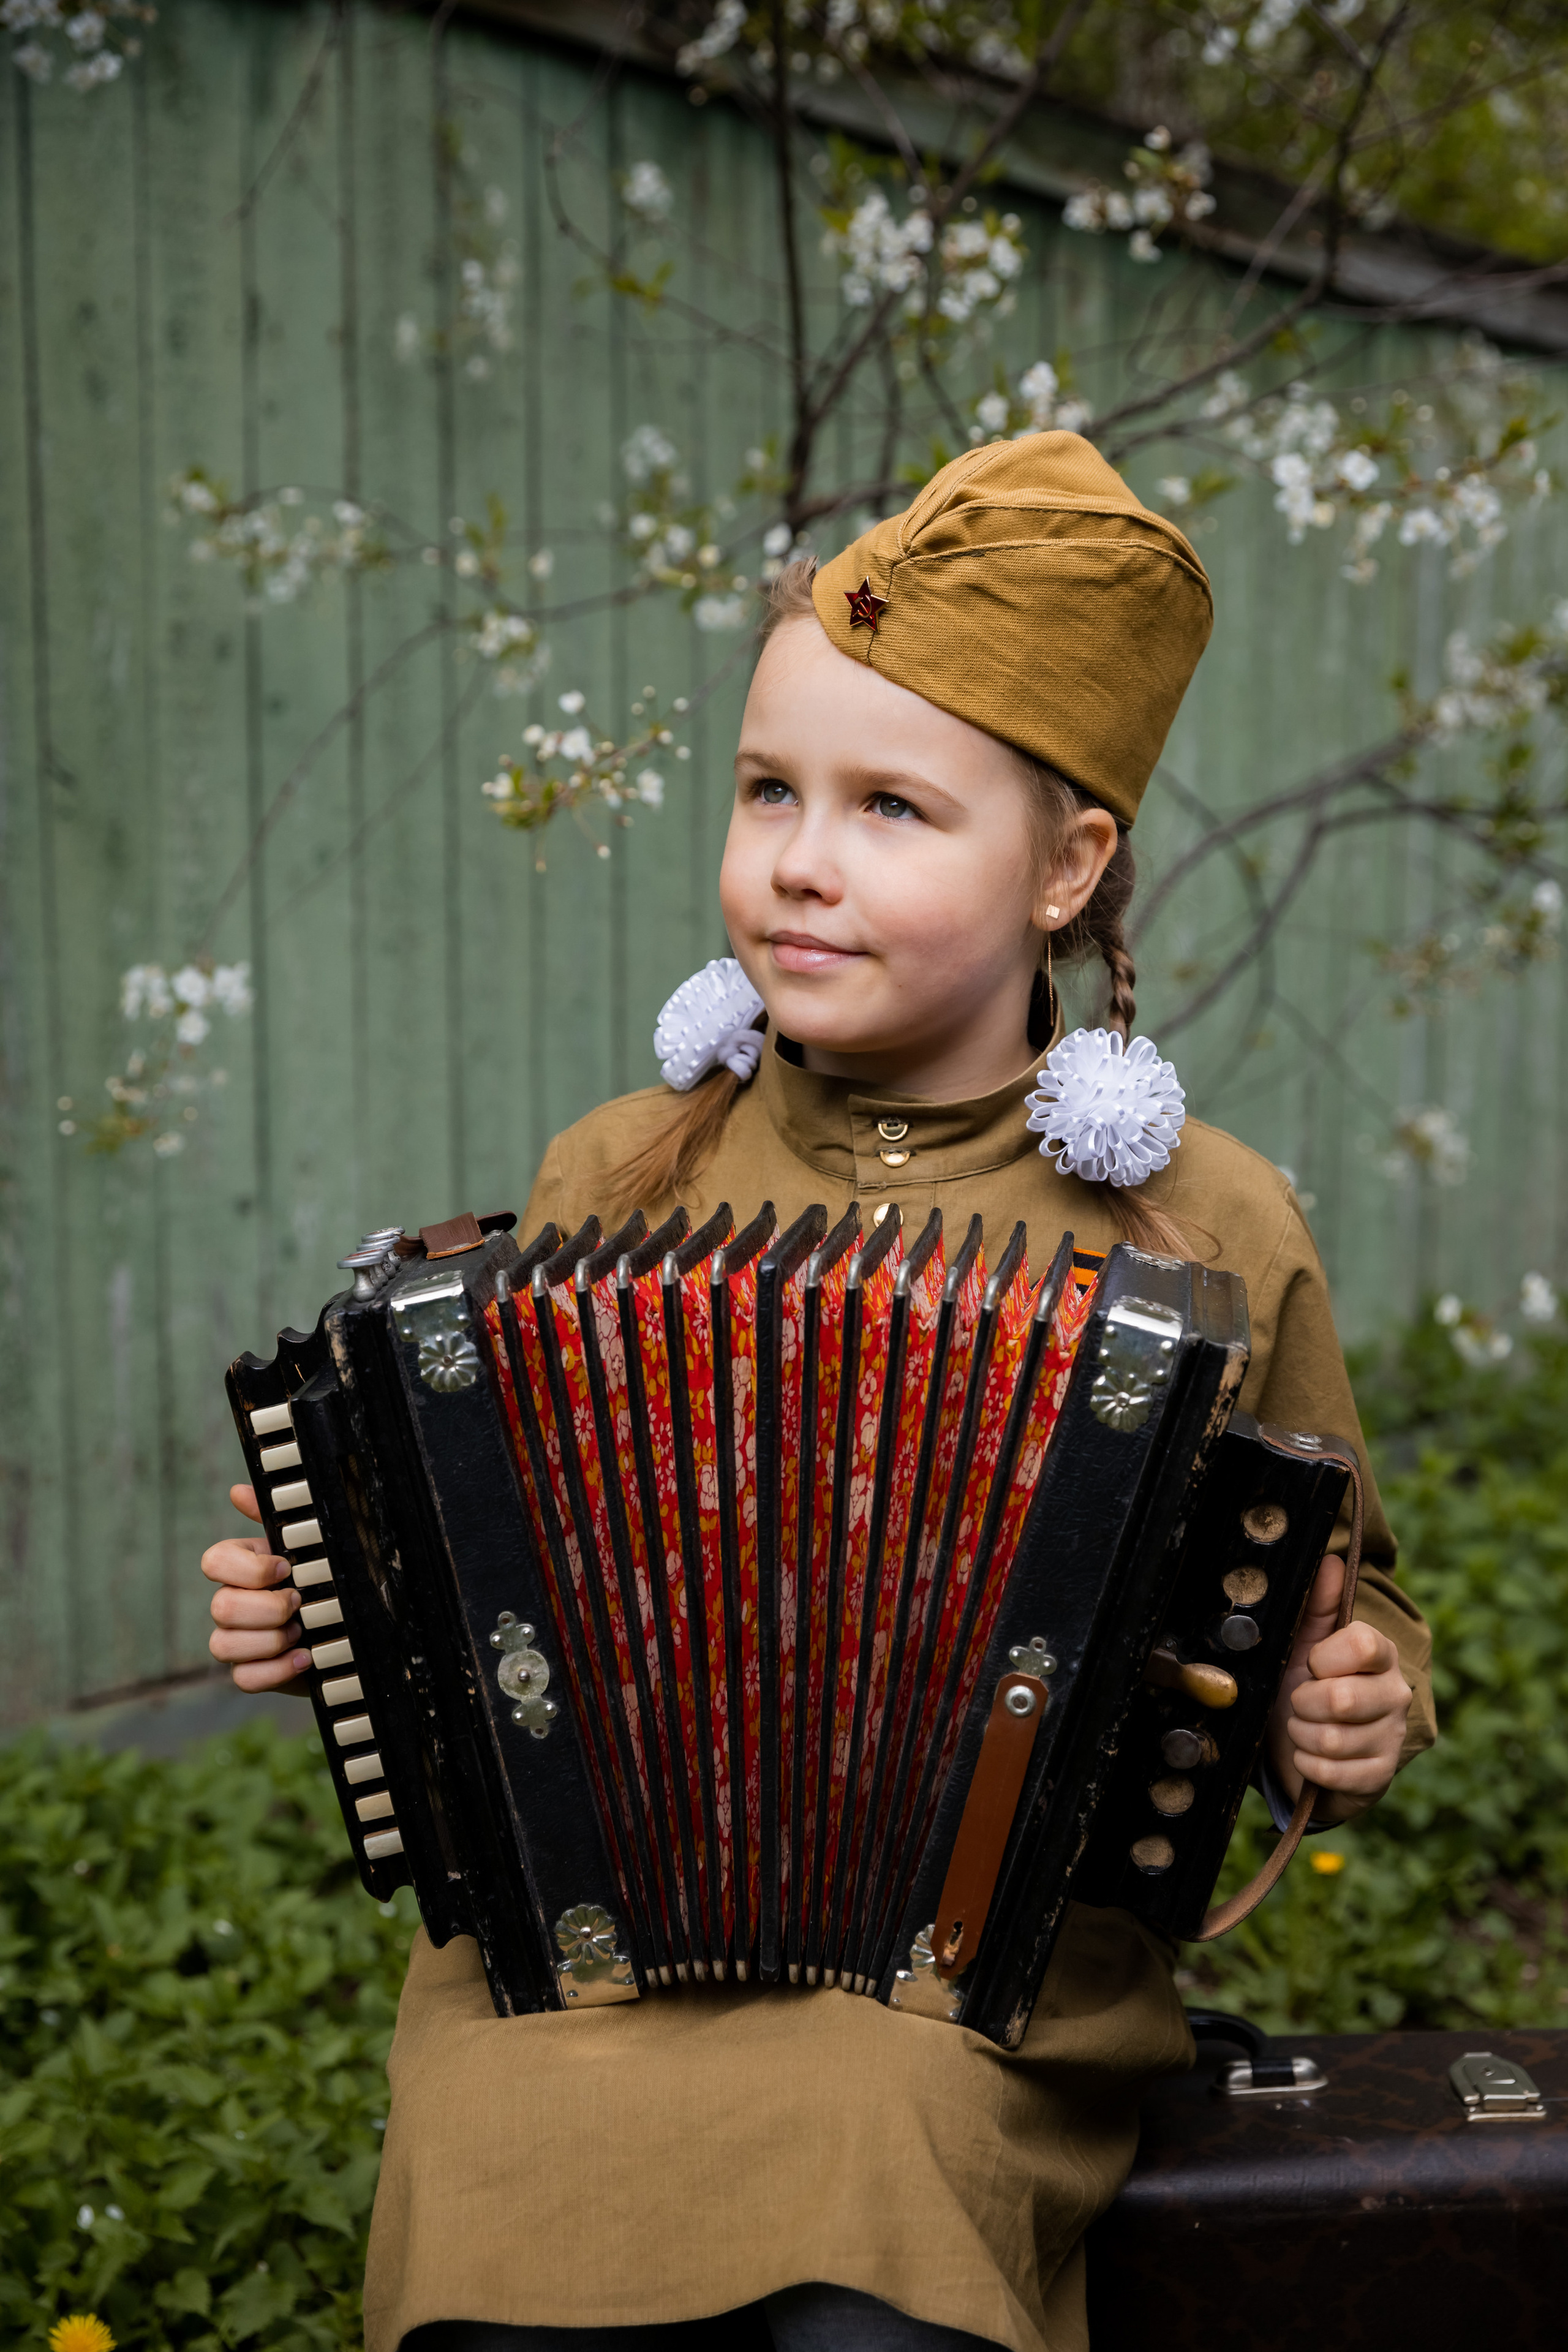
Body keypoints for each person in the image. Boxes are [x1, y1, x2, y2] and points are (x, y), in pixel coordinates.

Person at [203, 434, 1434, 2352]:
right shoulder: (621, 1171)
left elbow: (1356, 1600)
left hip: (972, 1989)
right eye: (770, 787)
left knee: (870, 2243)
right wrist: (344, 1608)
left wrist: (1343, 1698)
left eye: (892, 809)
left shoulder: (1207, 1223)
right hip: (589, 1963)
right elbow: (497, 1580)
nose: (800, 859)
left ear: (1067, 868)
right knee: (505, 2219)